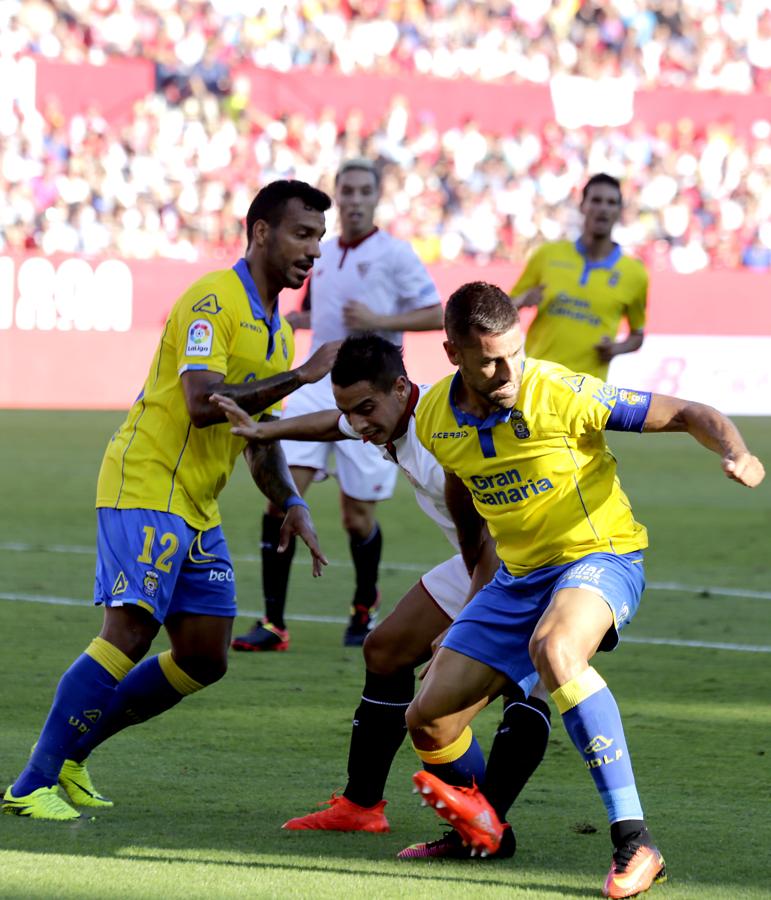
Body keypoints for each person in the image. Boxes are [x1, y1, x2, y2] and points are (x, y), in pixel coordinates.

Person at [406, 282, 764, 897]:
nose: (506, 370)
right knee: (428, 721)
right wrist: (476, 585)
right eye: (488, 359)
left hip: (600, 555)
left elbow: (686, 412)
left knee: (557, 650)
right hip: (516, 576)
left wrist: (737, 451)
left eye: (513, 352)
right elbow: (464, 488)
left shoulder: (562, 392)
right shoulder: (434, 417)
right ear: (451, 354)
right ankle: (484, 828)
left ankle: (636, 841)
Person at [2, 179, 340, 821]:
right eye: (302, 234)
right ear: (262, 231)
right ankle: (29, 784)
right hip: (148, 481)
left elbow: (257, 438)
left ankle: (74, 757)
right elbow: (201, 400)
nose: (312, 251)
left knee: (205, 655)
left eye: (319, 238)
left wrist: (292, 501)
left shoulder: (274, 328)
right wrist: (300, 376)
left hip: (196, 503)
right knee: (128, 632)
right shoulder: (214, 298)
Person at [212, 334, 551, 858]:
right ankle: (362, 805)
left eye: (367, 409)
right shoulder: (390, 416)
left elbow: (486, 539)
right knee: (385, 650)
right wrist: (264, 429)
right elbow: (333, 423)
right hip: (482, 563)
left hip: (532, 567)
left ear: (400, 387)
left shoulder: (443, 436)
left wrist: (465, 630)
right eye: (353, 410)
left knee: (522, 688)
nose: (360, 423)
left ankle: (488, 827)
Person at [232, 158, 443, 652]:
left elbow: (437, 312)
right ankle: (273, 623)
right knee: (280, 498)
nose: (352, 198)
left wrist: (381, 317)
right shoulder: (320, 252)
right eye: (345, 189)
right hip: (315, 381)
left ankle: (363, 604)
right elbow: (320, 308)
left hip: (372, 394)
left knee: (356, 518)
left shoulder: (395, 254)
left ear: (375, 197)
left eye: (362, 190)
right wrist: (300, 318)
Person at [511, 173, 647, 380]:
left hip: (588, 391)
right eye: (596, 200)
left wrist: (615, 348)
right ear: (582, 206)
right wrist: (522, 300)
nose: (603, 208)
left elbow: (637, 335)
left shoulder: (634, 274)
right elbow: (503, 309)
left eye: (611, 203)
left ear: (619, 211)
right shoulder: (547, 255)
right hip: (537, 381)